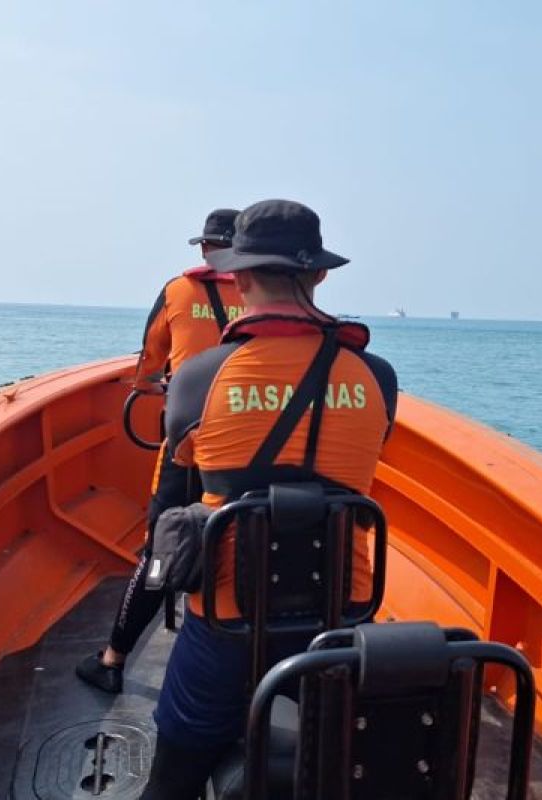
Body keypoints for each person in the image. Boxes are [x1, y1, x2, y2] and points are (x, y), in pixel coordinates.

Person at [140, 199, 398, 799]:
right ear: (321, 275)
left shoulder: (200, 376)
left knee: (170, 783)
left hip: (228, 616)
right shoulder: (377, 376)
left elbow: (184, 459)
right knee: (326, 770)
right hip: (342, 612)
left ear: (236, 275)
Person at [77, 208, 246, 693]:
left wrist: (165, 382)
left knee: (158, 551)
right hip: (249, 452)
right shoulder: (266, 299)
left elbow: (147, 369)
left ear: (205, 249)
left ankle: (113, 660)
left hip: (185, 449)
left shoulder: (178, 291)